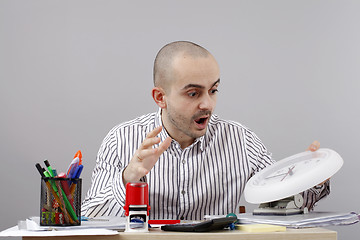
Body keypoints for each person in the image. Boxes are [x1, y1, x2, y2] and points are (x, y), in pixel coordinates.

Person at [81, 41, 329, 220]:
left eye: (213, 90)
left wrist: (312, 175)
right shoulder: (121, 139)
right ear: (160, 97)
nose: (207, 104)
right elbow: (89, 216)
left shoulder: (241, 140)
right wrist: (129, 178)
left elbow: (281, 198)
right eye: (193, 93)